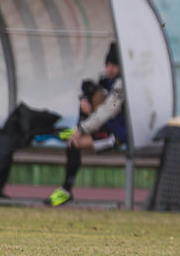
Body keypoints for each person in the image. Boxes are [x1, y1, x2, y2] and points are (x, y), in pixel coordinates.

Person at [45, 42, 128, 206]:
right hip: (105, 128)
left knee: (74, 142)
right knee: (89, 93)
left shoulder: (122, 85)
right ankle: (65, 190)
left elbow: (108, 110)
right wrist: (85, 99)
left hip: (117, 135)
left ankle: (65, 191)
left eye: (114, 66)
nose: (110, 69)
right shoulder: (107, 79)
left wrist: (82, 128)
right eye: (108, 65)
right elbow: (89, 88)